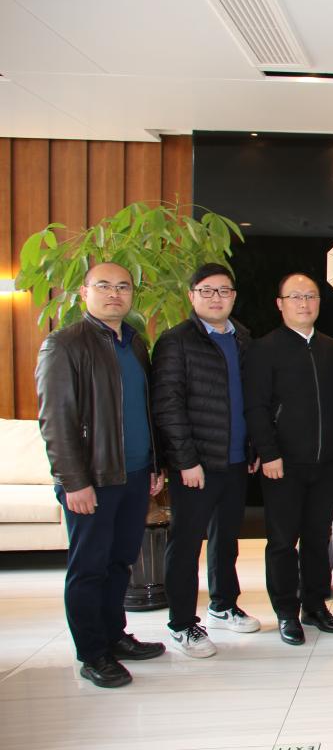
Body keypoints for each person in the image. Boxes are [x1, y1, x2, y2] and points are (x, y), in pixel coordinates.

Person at [35, 262, 165, 688]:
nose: (114, 294)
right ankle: (92, 654)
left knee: (120, 561)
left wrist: (155, 465)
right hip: (92, 479)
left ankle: (114, 636)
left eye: (123, 286)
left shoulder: (135, 343)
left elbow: (145, 410)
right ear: (84, 292)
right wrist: (74, 481)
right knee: (89, 568)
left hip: (135, 474)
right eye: (104, 285)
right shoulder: (64, 344)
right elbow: (55, 420)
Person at [153, 263, 261, 658]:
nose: (217, 298)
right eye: (207, 290)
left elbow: (251, 401)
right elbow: (168, 406)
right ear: (192, 295)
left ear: (234, 296)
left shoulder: (243, 338)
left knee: (226, 540)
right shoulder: (176, 341)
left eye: (224, 290)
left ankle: (223, 605)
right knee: (185, 545)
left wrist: (252, 448)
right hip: (196, 465)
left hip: (234, 460)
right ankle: (182, 624)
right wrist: (185, 461)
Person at [244, 273, 333, 645]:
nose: (304, 303)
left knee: (319, 537)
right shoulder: (264, 349)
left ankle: (316, 605)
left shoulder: (331, 347)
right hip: (283, 464)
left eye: (311, 296)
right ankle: (286, 611)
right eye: (295, 297)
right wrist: (268, 452)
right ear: (280, 303)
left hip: (325, 462)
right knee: (282, 541)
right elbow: (256, 408)